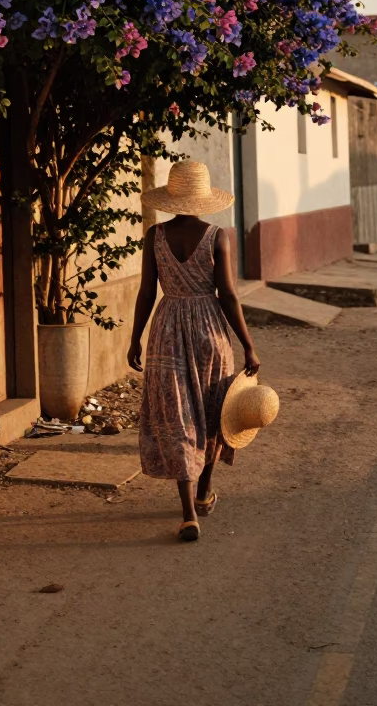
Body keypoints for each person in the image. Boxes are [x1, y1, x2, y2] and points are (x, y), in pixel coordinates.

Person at [127, 159, 260, 543]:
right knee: (213, 413)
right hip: (210, 332)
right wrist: (248, 345)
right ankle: (203, 494)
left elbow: (146, 292)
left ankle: (189, 513)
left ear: (170, 198)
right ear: (204, 198)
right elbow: (229, 296)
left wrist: (135, 337)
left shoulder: (154, 235)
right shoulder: (218, 236)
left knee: (178, 416)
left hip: (166, 330)